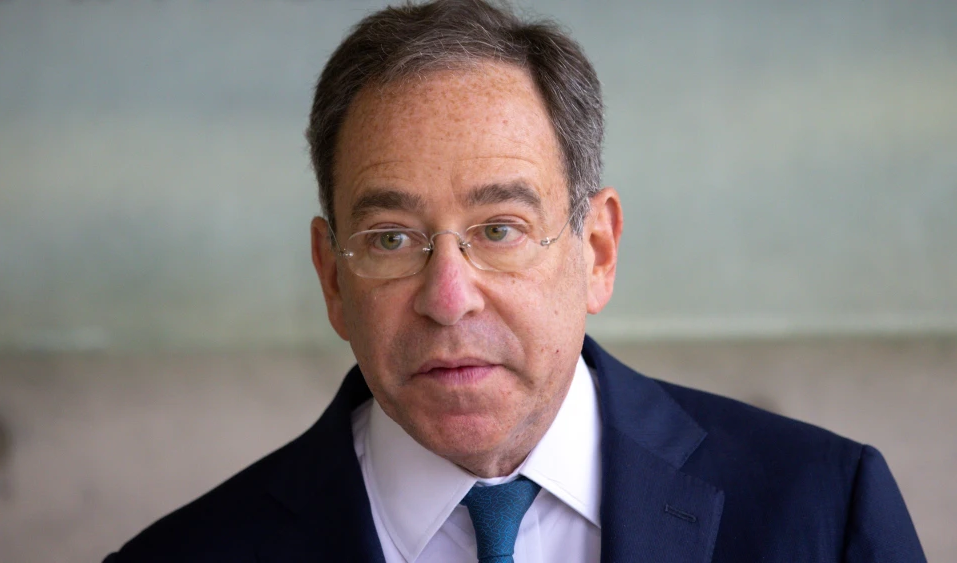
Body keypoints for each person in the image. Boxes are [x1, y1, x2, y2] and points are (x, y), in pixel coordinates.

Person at [104, 1, 926, 561]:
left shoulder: (824, 513)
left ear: (595, 250)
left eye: (499, 230)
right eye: (391, 238)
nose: (448, 296)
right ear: (332, 279)